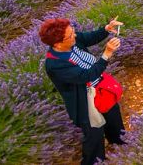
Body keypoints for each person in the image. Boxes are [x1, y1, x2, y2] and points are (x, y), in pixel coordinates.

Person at [40, 17, 125, 165]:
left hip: (100, 87)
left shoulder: (72, 40)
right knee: (94, 132)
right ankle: (94, 161)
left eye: (73, 31)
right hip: (84, 99)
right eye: (71, 35)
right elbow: (86, 76)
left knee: (112, 114)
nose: (75, 35)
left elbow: (87, 38)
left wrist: (106, 29)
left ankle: (120, 142)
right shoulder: (55, 64)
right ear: (57, 44)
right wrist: (106, 54)